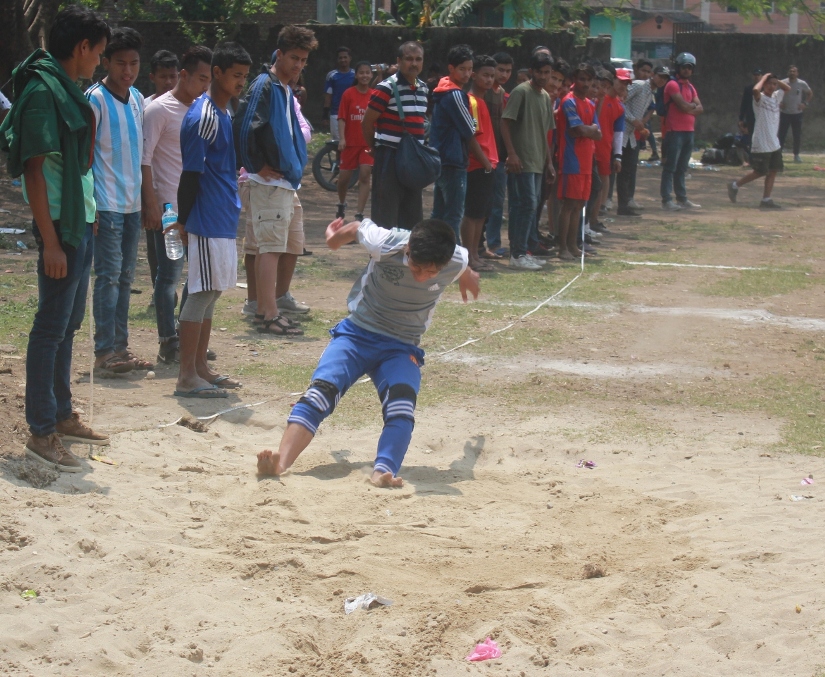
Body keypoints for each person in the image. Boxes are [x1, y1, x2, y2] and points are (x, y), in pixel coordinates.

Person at [256, 216, 480, 487]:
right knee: (321, 393)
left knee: (402, 406)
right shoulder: (385, 242)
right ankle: (280, 462)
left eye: (430, 272)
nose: (420, 277)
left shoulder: (456, 259)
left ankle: (382, 471)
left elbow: (463, 266)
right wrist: (333, 239)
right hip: (356, 335)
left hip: (401, 346)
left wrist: (468, 278)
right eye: (415, 266)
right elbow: (355, 228)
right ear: (408, 248)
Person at [0, 5, 111, 470]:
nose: (100, 63)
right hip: (59, 231)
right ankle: (41, 432)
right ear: (82, 48)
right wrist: (48, 241)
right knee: (49, 328)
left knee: (67, 326)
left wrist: (89, 215)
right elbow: (36, 171)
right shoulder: (46, 92)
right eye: (100, 53)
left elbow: (73, 167)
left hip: (79, 223)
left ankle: (63, 414)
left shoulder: (69, 89)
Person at [166, 42, 251, 398]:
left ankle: (201, 367)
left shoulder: (225, 112)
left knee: (212, 292)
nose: (241, 83)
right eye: (236, 76)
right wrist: (183, 221)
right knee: (200, 293)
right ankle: (186, 375)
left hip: (221, 215)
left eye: (244, 77)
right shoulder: (203, 116)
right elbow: (191, 174)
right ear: (217, 73)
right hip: (203, 218)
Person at [234, 26, 318, 335]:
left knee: (274, 247)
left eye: (304, 60)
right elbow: (242, 127)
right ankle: (267, 314)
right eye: (294, 58)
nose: (298, 65)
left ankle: (269, 310)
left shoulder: (283, 88)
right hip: (268, 183)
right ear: (279, 54)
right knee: (268, 248)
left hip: (283, 183)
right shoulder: (264, 86)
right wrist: (257, 165)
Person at [86, 27, 153, 374]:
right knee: (108, 277)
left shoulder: (139, 99)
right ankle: (103, 353)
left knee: (126, 278)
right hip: (107, 205)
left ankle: (121, 349)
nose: (128, 71)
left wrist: (146, 200)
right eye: (121, 63)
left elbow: (142, 154)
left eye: (134, 63)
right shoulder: (94, 99)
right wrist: (92, 207)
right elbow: (85, 156)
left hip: (132, 206)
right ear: (107, 62)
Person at [141, 46, 212, 365]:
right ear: (184, 75)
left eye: (209, 80)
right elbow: (144, 161)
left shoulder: (203, 110)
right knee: (169, 276)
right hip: (169, 209)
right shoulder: (158, 110)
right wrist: (152, 204)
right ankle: (167, 339)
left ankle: (187, 338)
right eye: (200, 78)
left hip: (197, 207)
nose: (204, 86)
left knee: (196, 277)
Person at [362, 41, 428, 231]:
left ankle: (408, 260)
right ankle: (381, 260)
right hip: (389, 157)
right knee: (385, 217)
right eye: (409, 59)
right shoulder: (386, 88)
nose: (414, 63)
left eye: (418, 59)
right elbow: (366, 123)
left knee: (413, 217)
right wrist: (375, 149)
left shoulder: (423, 89)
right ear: (399, 61)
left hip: (414, 161)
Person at [430, 44, 492, 243]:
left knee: (439, 213)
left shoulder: (443, 91)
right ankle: (453, 260)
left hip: (442, 159)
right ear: (451, 69)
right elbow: (469, 130)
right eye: (462, 69)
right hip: (453, 161)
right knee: (454, 215)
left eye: (469, 69)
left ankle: (433, 252)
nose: (466, 74)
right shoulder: (456, 95)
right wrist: (486, 162)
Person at [500, 52, 556, 271]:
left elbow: (544, 133)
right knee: (524, 205)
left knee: (529, 207)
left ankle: (523, 251)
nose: (543, 76)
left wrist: (549, 162)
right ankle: (518, 253)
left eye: (547, 73)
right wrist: (511, 154)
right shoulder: (520, 92)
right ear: (531, 71)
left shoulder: (544, 97)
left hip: (537, 161)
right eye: (540, 72)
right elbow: (505, 122)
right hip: (521, 161)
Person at [555, 63, 601, 261]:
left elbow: (597, 134)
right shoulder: (568, 102)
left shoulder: (590, 104)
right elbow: (579, 130)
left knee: (580, 203)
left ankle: (573, 245)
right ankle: (563, 246)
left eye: (589, 80)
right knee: (569, 205)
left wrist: (587, 130)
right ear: (575, 80)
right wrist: (588, 130)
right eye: (582, 79)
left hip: (586, 161)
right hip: (571, 160)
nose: (585, 83)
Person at [727, 72, 790, 209]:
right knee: (760, 171)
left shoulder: (776, 97)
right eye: (770, 84)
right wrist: (763, 78)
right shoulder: (759, 98)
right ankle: (734, 185)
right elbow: (755, 89)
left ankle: (766, 199)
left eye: (774, 84)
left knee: (773, 170)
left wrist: (775, 80)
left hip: (774, 142)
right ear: (764, 85)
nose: (772, 87)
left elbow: (787, 89)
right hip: (761, 142)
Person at [459, 54, 498, 272]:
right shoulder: (472, 101)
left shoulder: (482, 101)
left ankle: (474, 253)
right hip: (477, 164)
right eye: (485, 75)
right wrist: (484, 162)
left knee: (481, 213)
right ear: (474, 75)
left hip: (487, 163)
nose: (490, 80)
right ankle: (469, 255)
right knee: (472, 213)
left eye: (492, 76)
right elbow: (471, 135)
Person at [617, 65, 669, 217]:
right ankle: (618, 204)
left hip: (632, 134)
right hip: (622, 130)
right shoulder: (639, 85)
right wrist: (634, 120)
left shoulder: (651, 92)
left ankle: (624, 204)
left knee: (628, 170)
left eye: (665, 78)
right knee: (619, 170)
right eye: (660, 76)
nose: (662, 80)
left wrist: (641, 126)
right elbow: (621, 102)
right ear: (653, 75)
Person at [660, 52, 703, 211]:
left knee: (682, 168)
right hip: (674, 131)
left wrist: (689, 107)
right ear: (678, 67)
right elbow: (685, 106)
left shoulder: (691, 87)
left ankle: (681, 198)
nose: (687, 70)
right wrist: (691, 106)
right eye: (684, 67)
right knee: (670, 167)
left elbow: (700, 108)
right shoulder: (672, 85)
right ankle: (666, 200)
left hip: (688, 131)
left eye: (689, 68)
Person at [588, 68, 628, 231]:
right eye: (621, 81)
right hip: (589, 147)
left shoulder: (619, 106)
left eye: (626, 83)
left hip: (604, 149)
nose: (623, 85)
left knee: (602, 183)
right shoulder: (594, 100)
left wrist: (617, 156)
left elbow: (618, 133)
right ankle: (585, 223)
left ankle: (594, 219)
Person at [482, 51, 513, 258]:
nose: (503, 74)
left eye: (507, 71)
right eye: (500, 70)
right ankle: (479, 244)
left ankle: (493, 243)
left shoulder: (504, 95)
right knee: (481, 202)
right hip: (482, 154)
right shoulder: (482, 93)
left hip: (499, 156)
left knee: (496, 203)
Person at [336, 61, 375, 221]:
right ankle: (341, 203)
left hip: (367, 143)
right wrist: (342, 138)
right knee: (344, 179)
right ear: (356, 75)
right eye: (361, 73)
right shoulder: (348, 94)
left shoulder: (374, 95)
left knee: (365, 175)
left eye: (367, 72)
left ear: (371, 75)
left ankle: (359, 214)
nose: (365, 75)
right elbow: (342, 118)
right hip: (350, 143)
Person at [778, 65, 812, 163]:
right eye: (790, 71)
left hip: (797, 114)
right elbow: (774, 92)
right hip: (785, 113)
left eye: (794, 71)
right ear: (788, 73)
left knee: (796, 135)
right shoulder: (783, 83)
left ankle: (796, 155)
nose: (792, 73)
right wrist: (779, 102)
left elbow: (810, 93)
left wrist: (805, 103)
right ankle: (778, 154)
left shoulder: (801, 83)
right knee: (781, 135)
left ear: (797, 73)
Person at [323, 46, 354, 142]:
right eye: (340, 58)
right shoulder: (332, 76)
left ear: (350, 58)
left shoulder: (356, 75)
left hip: (353, 114)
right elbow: (328, 97)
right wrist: (325, 115)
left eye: (345, 57)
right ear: (337, 60)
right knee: (338, 143)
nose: (343, 60)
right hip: (336, 114)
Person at [738, 68, 763, 159]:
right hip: (751, 116)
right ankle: (752, 157)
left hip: (762, 116)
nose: (756, 77)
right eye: (755, 75)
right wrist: (741, 118)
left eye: (758, 75)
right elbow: (744, 103)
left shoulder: (765, 88)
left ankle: (762, 156)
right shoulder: (748, 89)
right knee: (752, 136)